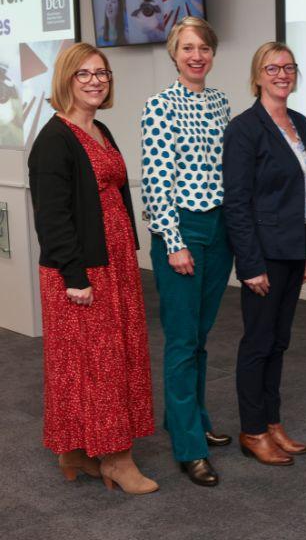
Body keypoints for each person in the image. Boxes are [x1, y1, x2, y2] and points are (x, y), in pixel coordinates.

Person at [28, 42, 157, 494]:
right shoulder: (54, 139)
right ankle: (117, 461)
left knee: (96, 360)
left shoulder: (100, 129)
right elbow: (52, 218)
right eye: (83, 74)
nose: (95, 81)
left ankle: (75, 451)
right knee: (98, 363)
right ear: (65, 80)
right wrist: (76, 277)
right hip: (82, 271)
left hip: (113, 263)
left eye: (101, 73)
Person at [141, 16, 232, 487]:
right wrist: (173, 242)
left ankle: (189, 417)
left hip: (220, 230)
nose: (197, 55)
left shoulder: (220, 102)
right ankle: (189, 447)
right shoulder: (159, 106)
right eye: (188, 48)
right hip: (182, 229)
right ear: (174, 54)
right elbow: (157, 182)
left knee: (199, 335)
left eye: (204, 48)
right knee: (180, 341)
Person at [223, 42, 306, 467]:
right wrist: (250, 264)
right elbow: (237, 201)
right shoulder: (245, 128)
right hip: (265, 254)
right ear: (257, 75)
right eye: (273, 67)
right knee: (258, 343)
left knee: (279, 341)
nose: (282, 74)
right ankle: (253, 430)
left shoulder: (299, 121)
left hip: (295, 248)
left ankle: (273, 422)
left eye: (289, 67)